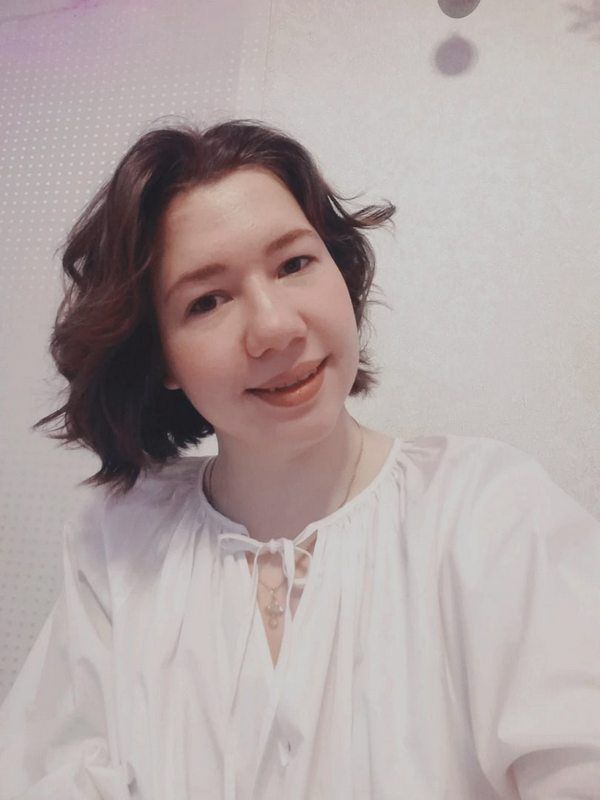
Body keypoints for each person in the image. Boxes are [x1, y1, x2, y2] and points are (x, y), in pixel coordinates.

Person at [0, 118, 599, 800]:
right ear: (160, 355)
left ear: (340, 270)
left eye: (294, 264)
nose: (275, 327)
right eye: (207, 301)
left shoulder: (488, 512)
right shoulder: (117, 544)